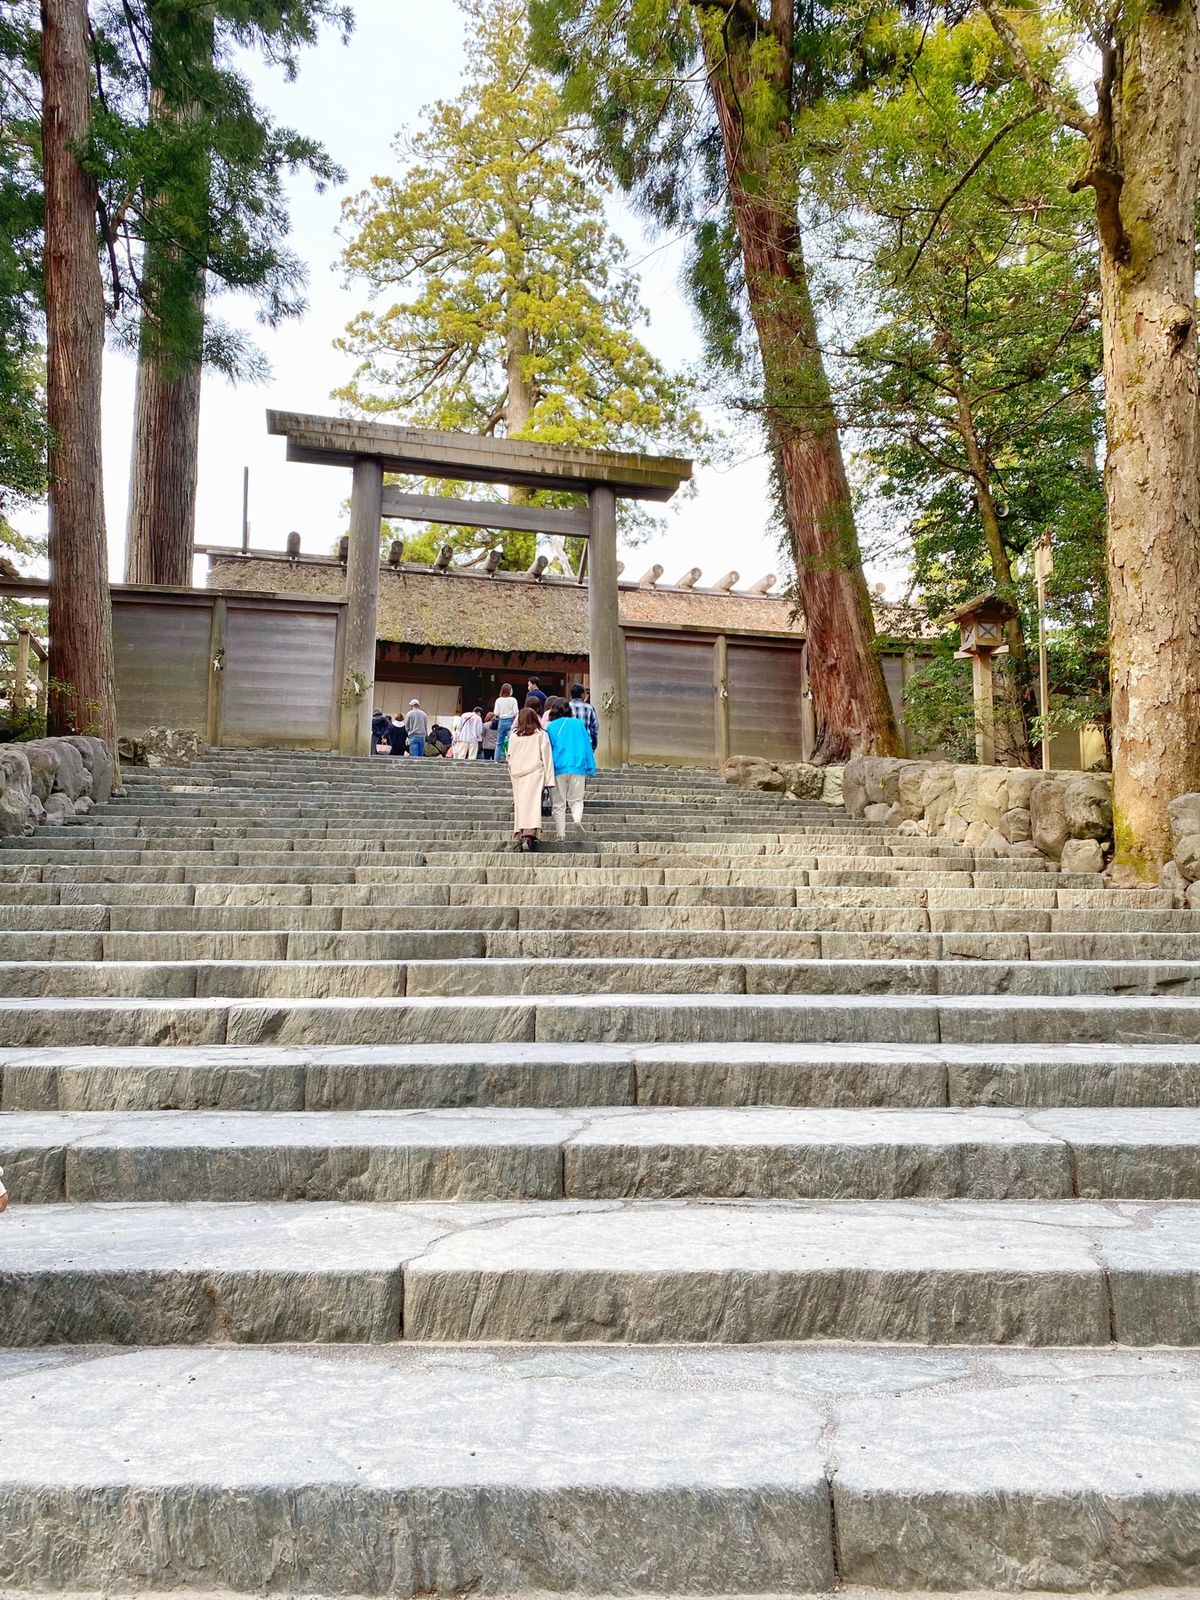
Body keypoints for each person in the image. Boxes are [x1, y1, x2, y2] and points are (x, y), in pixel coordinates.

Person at [545, 694, 596, 843]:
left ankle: (561, 834)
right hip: (578, 765)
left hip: (558, 767)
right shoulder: (578, 724)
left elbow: (548, 749)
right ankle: (577, 820)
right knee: (576, 799)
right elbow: (587, 745)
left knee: (559, 803)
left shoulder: (550, 727)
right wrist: (591, 766)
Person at [507, 704, 554, 852]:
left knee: (520, 806)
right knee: (532, 805)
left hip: (517, 774)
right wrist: (549, 780)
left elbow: (509, 756)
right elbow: (547, 756)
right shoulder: (541, 734)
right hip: (534, 772)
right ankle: (529, 835)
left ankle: (520, 833)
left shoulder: (514, 736)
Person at [492, 682, 518, 761]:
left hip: (501, 721)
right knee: (511, 741)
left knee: (499, 742)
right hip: (510, 721)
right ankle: (511, 759)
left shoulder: (498, 700)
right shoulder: (513, 700)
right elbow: (516, 712)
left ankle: (496, 760)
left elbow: (496, 713)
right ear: (509, 691)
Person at [568, 683, 599, 751]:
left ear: (571, 695)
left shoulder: (567, 707)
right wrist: (594, 744)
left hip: (570, 743)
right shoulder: (590, 708)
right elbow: (595, 728)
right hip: (586, 743)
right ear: (582, 695)